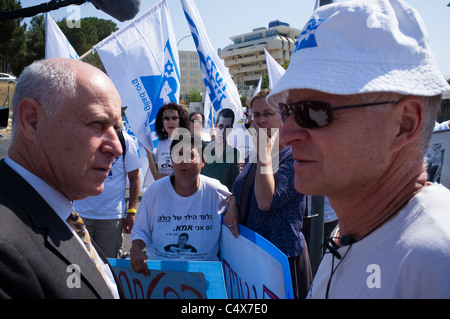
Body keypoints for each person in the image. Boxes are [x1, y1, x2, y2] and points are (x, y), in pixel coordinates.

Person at [268, 0, 450, 298]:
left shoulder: (438, 262)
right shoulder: (360, 232)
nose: (287, 135)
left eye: (314, 112)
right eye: (287, 110)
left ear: (404, 123)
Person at [0, 58, 123, 298]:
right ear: (33, 120)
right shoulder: (5, 246)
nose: (116, 147)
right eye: (98, 123)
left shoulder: (61, 210)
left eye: (116, 128)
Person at [224, 89, 312, 299]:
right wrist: (232, 204)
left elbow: (265, 201)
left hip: (281, 260)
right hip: (253, 256)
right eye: (256, 115)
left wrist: (264, 153)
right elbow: (241, 188)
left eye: (268, 113)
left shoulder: (296, 154)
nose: (261, 120)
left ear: (284, 115)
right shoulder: (256, 152)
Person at [130, 133, 230, 276]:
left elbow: (232, 201)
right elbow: (140, 232)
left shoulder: (215, 190)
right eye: (178, 155)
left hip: (205, 276)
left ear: (203, 161)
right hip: (162, 274)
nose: (184, 161)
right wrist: (136, 248)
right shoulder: (155, 191)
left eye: (190, 155)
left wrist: (232, 206)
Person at [73, 127, 141, 258]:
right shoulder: (81, 134)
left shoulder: (125, 140)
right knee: (79, 261)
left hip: (111, 216)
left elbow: (134, 177)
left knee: (108, 264)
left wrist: (131, 211)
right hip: (80, 213)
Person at [146, 102, 189, 180]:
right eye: (166, 118)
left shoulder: (187, 142)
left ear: (181, 120)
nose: (170, 122)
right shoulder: (161, 143)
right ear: (161, 122)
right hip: (162, 189)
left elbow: (184, 175)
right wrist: (147, 150)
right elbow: (156, 173)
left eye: (174, 118)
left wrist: (160, 178)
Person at [202, 108, 241, 191]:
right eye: (221, 126)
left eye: (227, 128)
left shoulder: (234, 154)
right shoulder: (202, 148)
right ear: (215, 125)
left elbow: (233, 185)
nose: (223, 131)